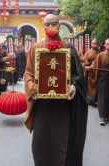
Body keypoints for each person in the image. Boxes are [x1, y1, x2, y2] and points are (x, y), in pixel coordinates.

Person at [24, 14, 88, 166]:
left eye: (54, 24)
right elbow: (28, 72)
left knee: (63, 142)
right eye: (47, 24)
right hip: (42, 107)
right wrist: (31, 85)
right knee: (40, 145)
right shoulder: (36, 48)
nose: (51, 27)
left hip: (63, 106)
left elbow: (78, 75)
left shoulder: (68, 48)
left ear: (59, 26)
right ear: (43, 26)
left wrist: (74, 85)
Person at [82, 39, 99, 106]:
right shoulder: (88, 52)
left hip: (96, 72)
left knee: (96, 87)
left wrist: (93, 65)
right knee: (88, 88)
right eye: (93, 43)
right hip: (89, 73)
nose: (94, 45)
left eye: (95, 43)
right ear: (91, 44)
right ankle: (90, 100)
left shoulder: (99, 52)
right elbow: (84, 60)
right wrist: (86, 65)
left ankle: (95, 100)